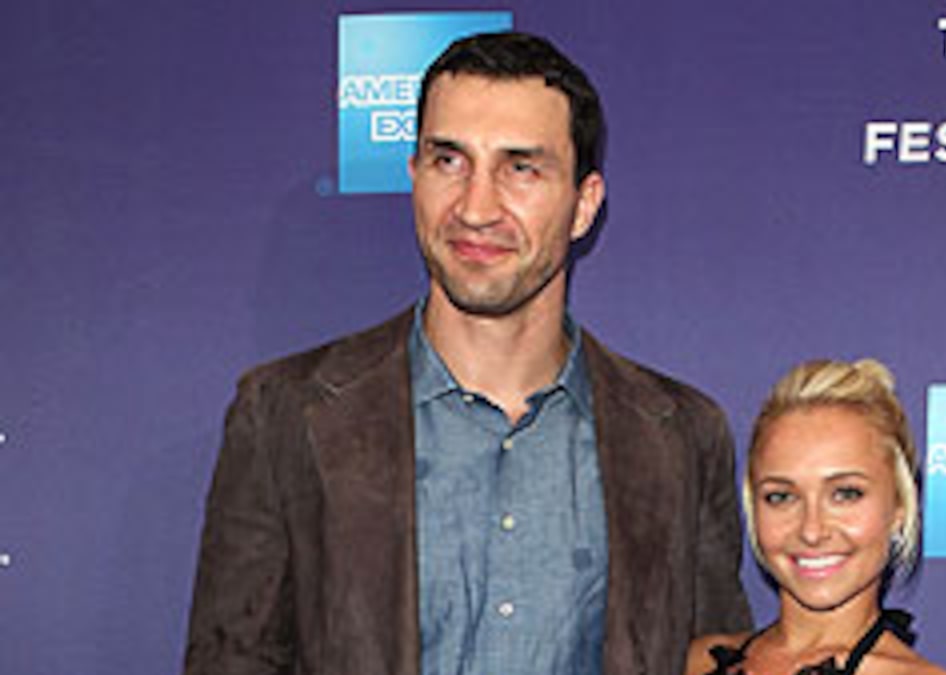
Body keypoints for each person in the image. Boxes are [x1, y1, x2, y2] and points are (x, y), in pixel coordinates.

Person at [183, 31, 750, 675]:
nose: (476, 209)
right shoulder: (282, 414)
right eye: (449, 161)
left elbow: (717, 661)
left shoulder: (682, 437)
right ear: (414, 177)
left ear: (584, 205)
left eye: (521, 168)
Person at [686, 359, 946, 675]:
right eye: (781, 497)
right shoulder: (692, 662)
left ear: (899, 507)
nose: (811, 531)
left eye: (845, 494)